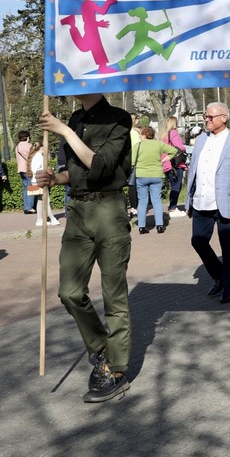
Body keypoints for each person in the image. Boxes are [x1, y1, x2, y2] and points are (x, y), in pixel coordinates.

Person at [34, 93, 133, 402]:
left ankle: (116, 370)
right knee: (70, 292)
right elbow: (76, 171)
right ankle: (102, 347)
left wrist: (64, 131)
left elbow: (101, 166)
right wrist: (55, 178)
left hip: (109, 210)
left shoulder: (119, 117)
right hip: (78, 212)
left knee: (114, 297)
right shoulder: (76, 119)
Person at [185, 102, 230, 304]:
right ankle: (219, 275)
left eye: (210, 117)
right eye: (206, 116)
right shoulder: (201, 140)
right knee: (198, 241)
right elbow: (193, 171)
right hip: (201, 202)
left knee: (228, 247)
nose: (206, 119)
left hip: (226, 203)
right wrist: (189, 200)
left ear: (224, 118)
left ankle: (228, 286)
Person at [132, 126, 177, 234]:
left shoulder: (137, 146)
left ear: (144, 135)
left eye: (141, 134)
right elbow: (174, 150)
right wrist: (165, 159)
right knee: (156, 200)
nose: (139, 136)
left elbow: (132, 162)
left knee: (142, 201)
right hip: (156, 175)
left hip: (141, 175)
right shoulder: (159, 144)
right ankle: (160, 225)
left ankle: (142, 227)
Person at [160, 117, 188, 216]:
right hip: (175, 163)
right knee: (177, 185)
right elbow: (179, 147)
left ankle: (172, 206)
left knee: (173, 185)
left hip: (166, 164)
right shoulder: (173, 133)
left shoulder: (162, 135)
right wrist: (184, 148)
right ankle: (173, 208)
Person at [29, 141, 60, 226]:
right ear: (42, 148)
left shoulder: (36, 156)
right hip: (40, 181)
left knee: (40, 200)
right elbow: (36, 170)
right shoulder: (39, 157)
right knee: (46, 200)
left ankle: (39, 220)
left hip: (36, 181)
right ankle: (52, 218)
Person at [16, 130, 36, 214]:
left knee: (25, 188)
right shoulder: (29, 146)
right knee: (31, 187)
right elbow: (32, 157)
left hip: (21, 169)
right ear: (27, 137)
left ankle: (26, 207)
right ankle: (29, 207)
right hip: (28, 169)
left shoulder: (17, 146)